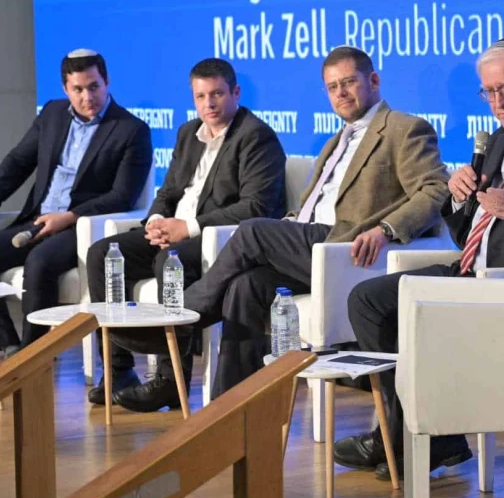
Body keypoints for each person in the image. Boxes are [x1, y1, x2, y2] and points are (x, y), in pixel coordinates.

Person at [333, 36, 504, 480]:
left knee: (405, 308)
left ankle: (414, 436)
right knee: (368, 300)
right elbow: (469, 233)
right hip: (474, 270)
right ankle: (410, 430)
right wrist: (458, 200)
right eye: (488, 92)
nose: (497, 103)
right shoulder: (502, 140)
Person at [117, 46, 450, 412]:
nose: (340, 93)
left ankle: (181, 318)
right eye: (332, 86)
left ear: (373, 81)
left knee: (254, 231)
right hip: (310, 247)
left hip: (348, 250)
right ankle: (232, 411)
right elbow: (311, 207)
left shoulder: (404, 129)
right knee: (245, 288)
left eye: (349, 82)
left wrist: (386, 229)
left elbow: (434, 190)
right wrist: (289, 224)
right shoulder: (336, 140)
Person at [83, 58, 287, 410]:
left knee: (169, 262)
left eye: (218, 94)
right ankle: (118, 370)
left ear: (235, 93)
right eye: (201, 96)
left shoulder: (255, 136)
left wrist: (188, 227)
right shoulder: (188, 133)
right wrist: (157, 220)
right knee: (102, 254)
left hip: (216, 241)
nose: (209, 103)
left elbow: (256, 208)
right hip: (174, 232)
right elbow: (168, 191)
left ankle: (170, 379)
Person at [0, 49, 152, 376]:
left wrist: (71, 216)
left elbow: (122, 196)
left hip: (79, 228)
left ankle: (35, 354)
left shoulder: (131, 130)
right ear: (65, 89)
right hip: (36, 220)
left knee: (40, 261)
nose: (87, 96)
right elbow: (18, 163)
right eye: (78, 89)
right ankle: (9, 349)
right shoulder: (52, 114)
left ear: (107, 82)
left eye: (94, 86)